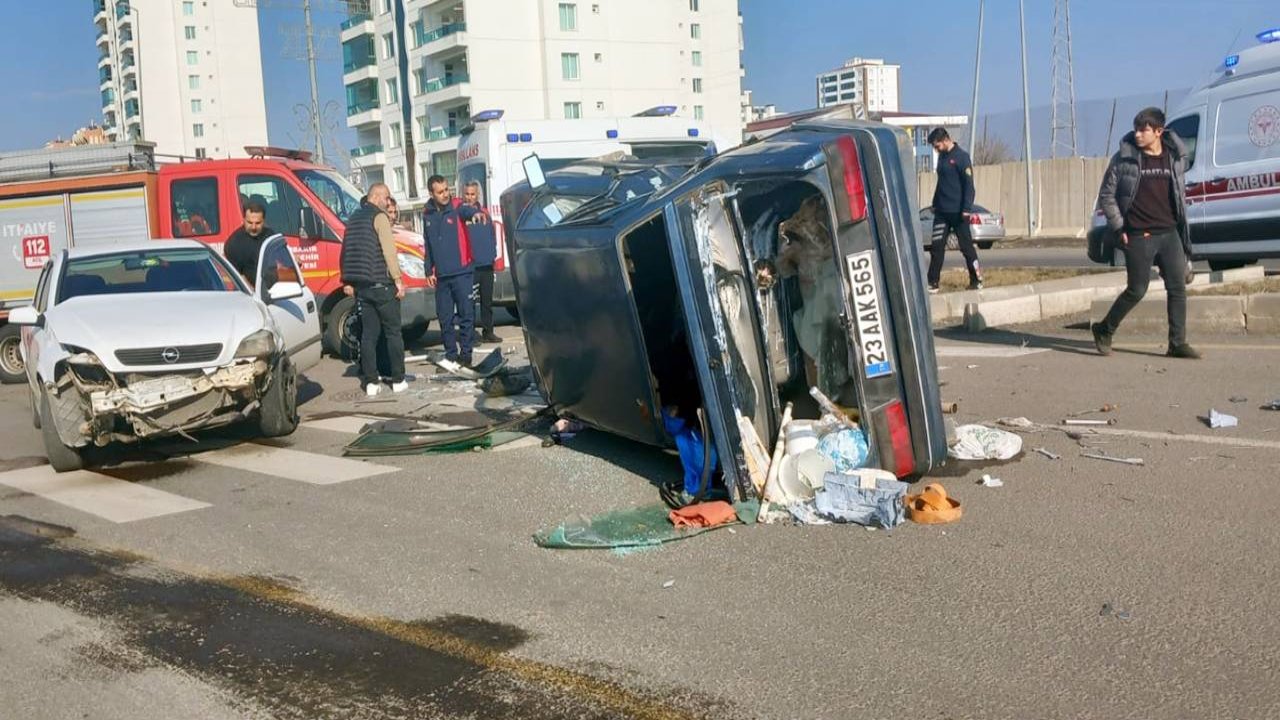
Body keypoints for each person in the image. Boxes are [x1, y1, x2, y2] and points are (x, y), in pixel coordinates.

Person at [1092, 108, 1200, 360]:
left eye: (1144, 130)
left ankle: (1177, 343)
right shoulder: (1124, 158)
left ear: (1159, 132)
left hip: (1170, 232)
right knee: (1137, 289)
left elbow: (1179, 192)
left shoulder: (1174, 157)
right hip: (1139, 235)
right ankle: (1104, 329)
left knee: (1177, 288)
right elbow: (1107, 196)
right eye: (1137, 129)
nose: (1138, 134)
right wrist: (1119, 227)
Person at [339, 183, 408, 396]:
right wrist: (398, 279)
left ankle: (371, 382)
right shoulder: (380, 217)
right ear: (376, 196)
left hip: (362, 287)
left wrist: (347, 281)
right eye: (386, 197)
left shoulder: (353, 219)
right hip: (382, 285)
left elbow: (346, 252)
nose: (388, 202)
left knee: (368, 335)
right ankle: (397, 380)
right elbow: (389, 250)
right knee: (393, 333)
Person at [423, 175, 486, 367]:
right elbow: (428, 244)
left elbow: (469, 210)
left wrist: (475, 214)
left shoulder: (458, 206)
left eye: (446, 190)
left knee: (466, 315)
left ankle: (466, 356)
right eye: (440, 192)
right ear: (431, 193)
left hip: (462, 272)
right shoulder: (427, 214)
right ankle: (451, 355)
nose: (445, 194)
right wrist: (428, 270)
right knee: (445, 318)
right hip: (442, 276)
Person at [924, 127, 983, 293]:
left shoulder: (961, 157)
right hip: (942, 212)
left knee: (966, 248)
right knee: (936, 248)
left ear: (945, 140)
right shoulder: (942, 158)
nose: (936, 150)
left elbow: (969, 187)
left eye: (937, 146)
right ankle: (932, 282)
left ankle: (976, 279)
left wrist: (966, 208)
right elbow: (941, 183)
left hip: (958, 213)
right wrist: (935, 203)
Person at [462, 181, 501, 344]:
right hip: (471, 266)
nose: (470, 197)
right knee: (469, 303)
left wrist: (492, 256)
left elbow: (492, 236)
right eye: (467, 194)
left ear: (477, 195)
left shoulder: (485, 213)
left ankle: (488, 331)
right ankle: (469, 334)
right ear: (463, 194)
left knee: (487, 302)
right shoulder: (462, 214)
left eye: (473, 194)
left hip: (486, 264)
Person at [223, 202, 275, 288]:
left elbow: (280, 260)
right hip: (248, 293)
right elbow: (238, 277)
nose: (253, 227)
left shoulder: (270, 236)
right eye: (250, 222)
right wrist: (254, 294)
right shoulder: (234, 243)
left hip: (273, 290)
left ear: (264, 221)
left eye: (258, 223)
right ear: (244, 219)